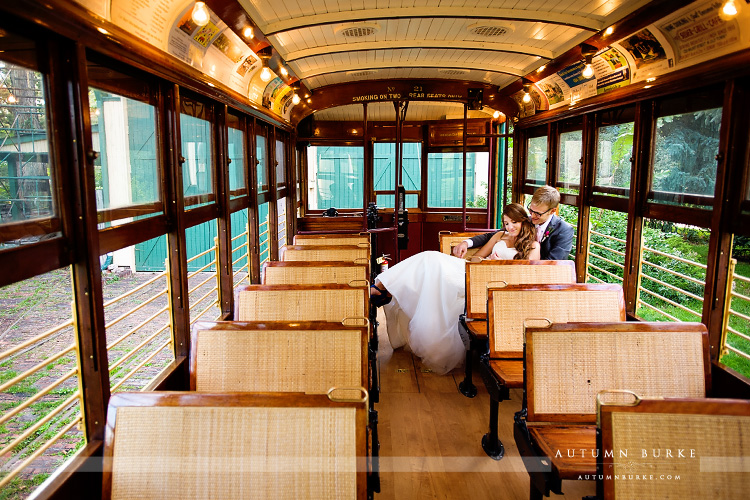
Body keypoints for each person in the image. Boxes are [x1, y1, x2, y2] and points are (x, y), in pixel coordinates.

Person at [370, 203, 540, 374]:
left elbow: (523, 275)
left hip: (490, 282)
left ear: (524, 222)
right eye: (506, 223)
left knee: (433, 270)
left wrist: (497, 264)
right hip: (470, 270)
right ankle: (382, 286)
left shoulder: (533, 246)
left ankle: (382, 289)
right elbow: (475, 260)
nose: (510, 227)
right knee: (429, 258)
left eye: (514, 223)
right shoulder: (499, 235)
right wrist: (486, 260)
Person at [452, 185, 574, 261]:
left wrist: (502, 266)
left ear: (552, 211)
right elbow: (493, 235)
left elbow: (551, 263)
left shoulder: (563, 230)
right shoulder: (526, 220)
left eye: (538, 213)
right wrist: (466, 243)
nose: (532, 215)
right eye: (531, 210)